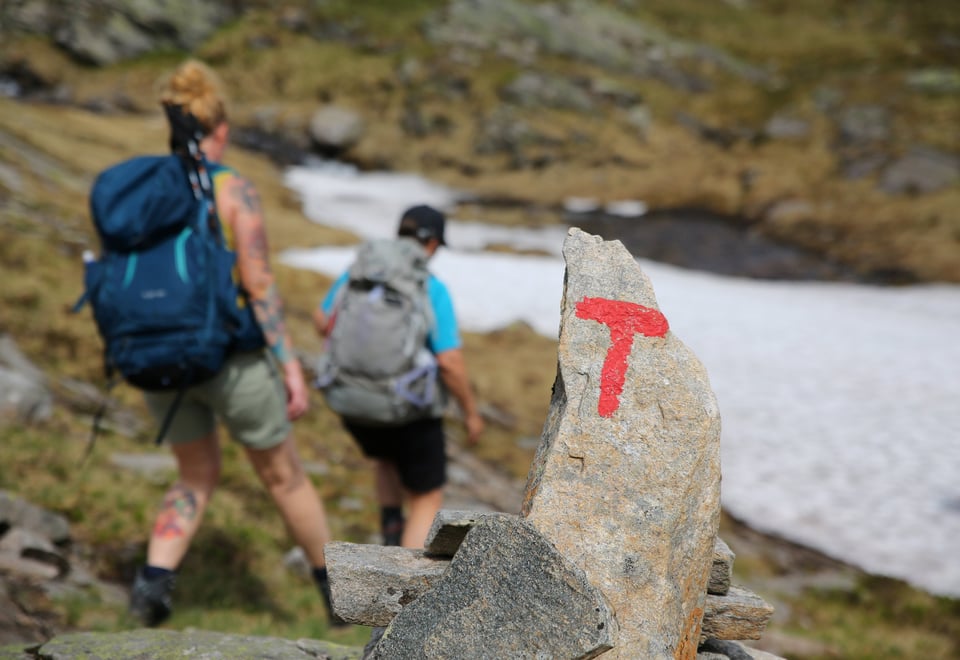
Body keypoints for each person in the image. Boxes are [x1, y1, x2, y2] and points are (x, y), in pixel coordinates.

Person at [129, 59, 344, 629]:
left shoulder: (147, 189)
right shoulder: (233, 191)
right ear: (219, 128)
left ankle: (153, 583)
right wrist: (290, 366)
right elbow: (259, 284)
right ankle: (338, 600)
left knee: (194, 475)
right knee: (284, 476)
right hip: (231, 361)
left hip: (160, 361)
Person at [313, 205, 484, 549]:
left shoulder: (358, 273)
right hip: (409, 411)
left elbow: (321, 320)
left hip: (353, 402)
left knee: (385, 458)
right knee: (426, 497)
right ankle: (402, 581)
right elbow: (449, 361)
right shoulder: (429, 286)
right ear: (433, 243)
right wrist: (470, 413)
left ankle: (391, 531)